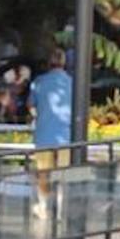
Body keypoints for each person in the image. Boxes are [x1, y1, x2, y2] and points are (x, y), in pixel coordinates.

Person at [28, 48, 73, 219]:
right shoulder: (72, 82)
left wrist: (38, 116)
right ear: (64, 63)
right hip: (66, 135)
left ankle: (43, 206)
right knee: (63, 173)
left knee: (43, 173)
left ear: (49, 63)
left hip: (44, 133)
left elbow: (31, 105)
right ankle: (61, 209)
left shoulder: (39, 82)